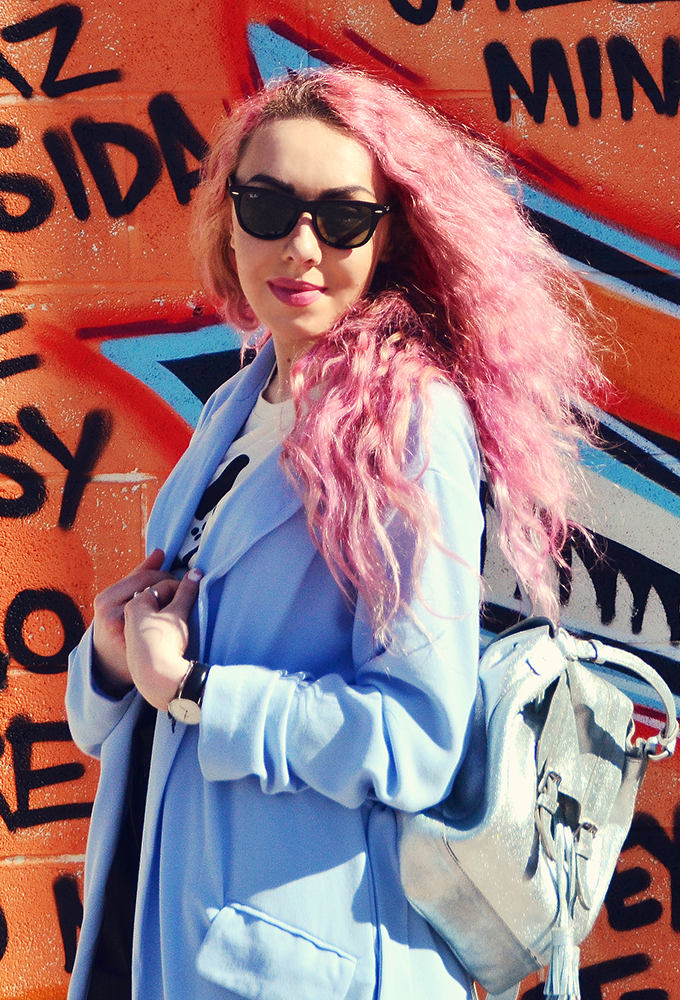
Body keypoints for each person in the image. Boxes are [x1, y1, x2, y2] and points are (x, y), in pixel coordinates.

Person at [65, 69, 600, 1000]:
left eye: (342, 218)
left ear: (389, 233)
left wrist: (198, 689)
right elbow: (144, 685)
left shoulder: (407, 422)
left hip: (313, 960)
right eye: (268, 205)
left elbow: (415, 737)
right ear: (228, 219)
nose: (301, 246)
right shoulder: (241, 403)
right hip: (166, 929)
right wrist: (114, 660)